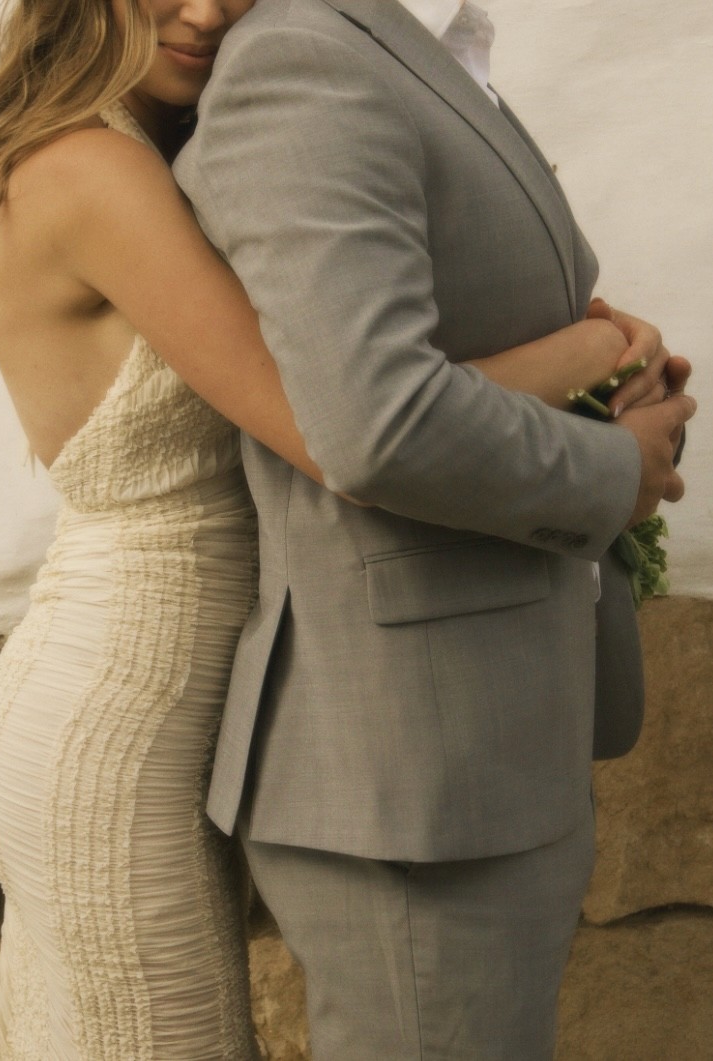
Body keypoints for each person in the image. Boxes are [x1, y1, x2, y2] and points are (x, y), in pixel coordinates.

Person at [172, 1, 696, 1058]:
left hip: (482, 736)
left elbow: (459, 323)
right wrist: (616, 470)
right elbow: (376, 423)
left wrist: (610, 367)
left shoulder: (404, 46)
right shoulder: (299, 62)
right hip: (412, 767)